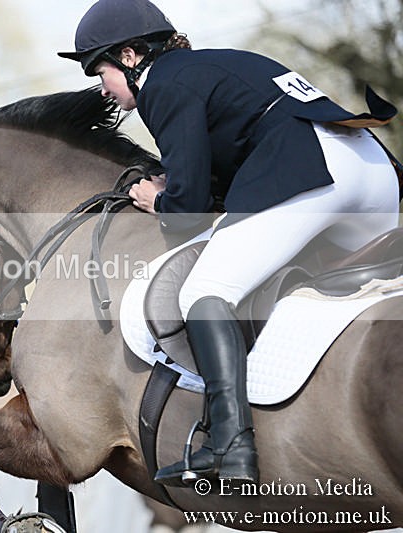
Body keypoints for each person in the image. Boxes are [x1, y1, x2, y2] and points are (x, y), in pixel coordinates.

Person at [59, 0, 400, 486]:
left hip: (314, 173)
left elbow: (190, 207)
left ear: (131, 57)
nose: (102, 88)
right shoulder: (210, 65)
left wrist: (158, 200)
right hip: (372, 171)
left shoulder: (164, 84)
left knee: (203, 291)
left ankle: (231, 444)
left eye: (101, 72)